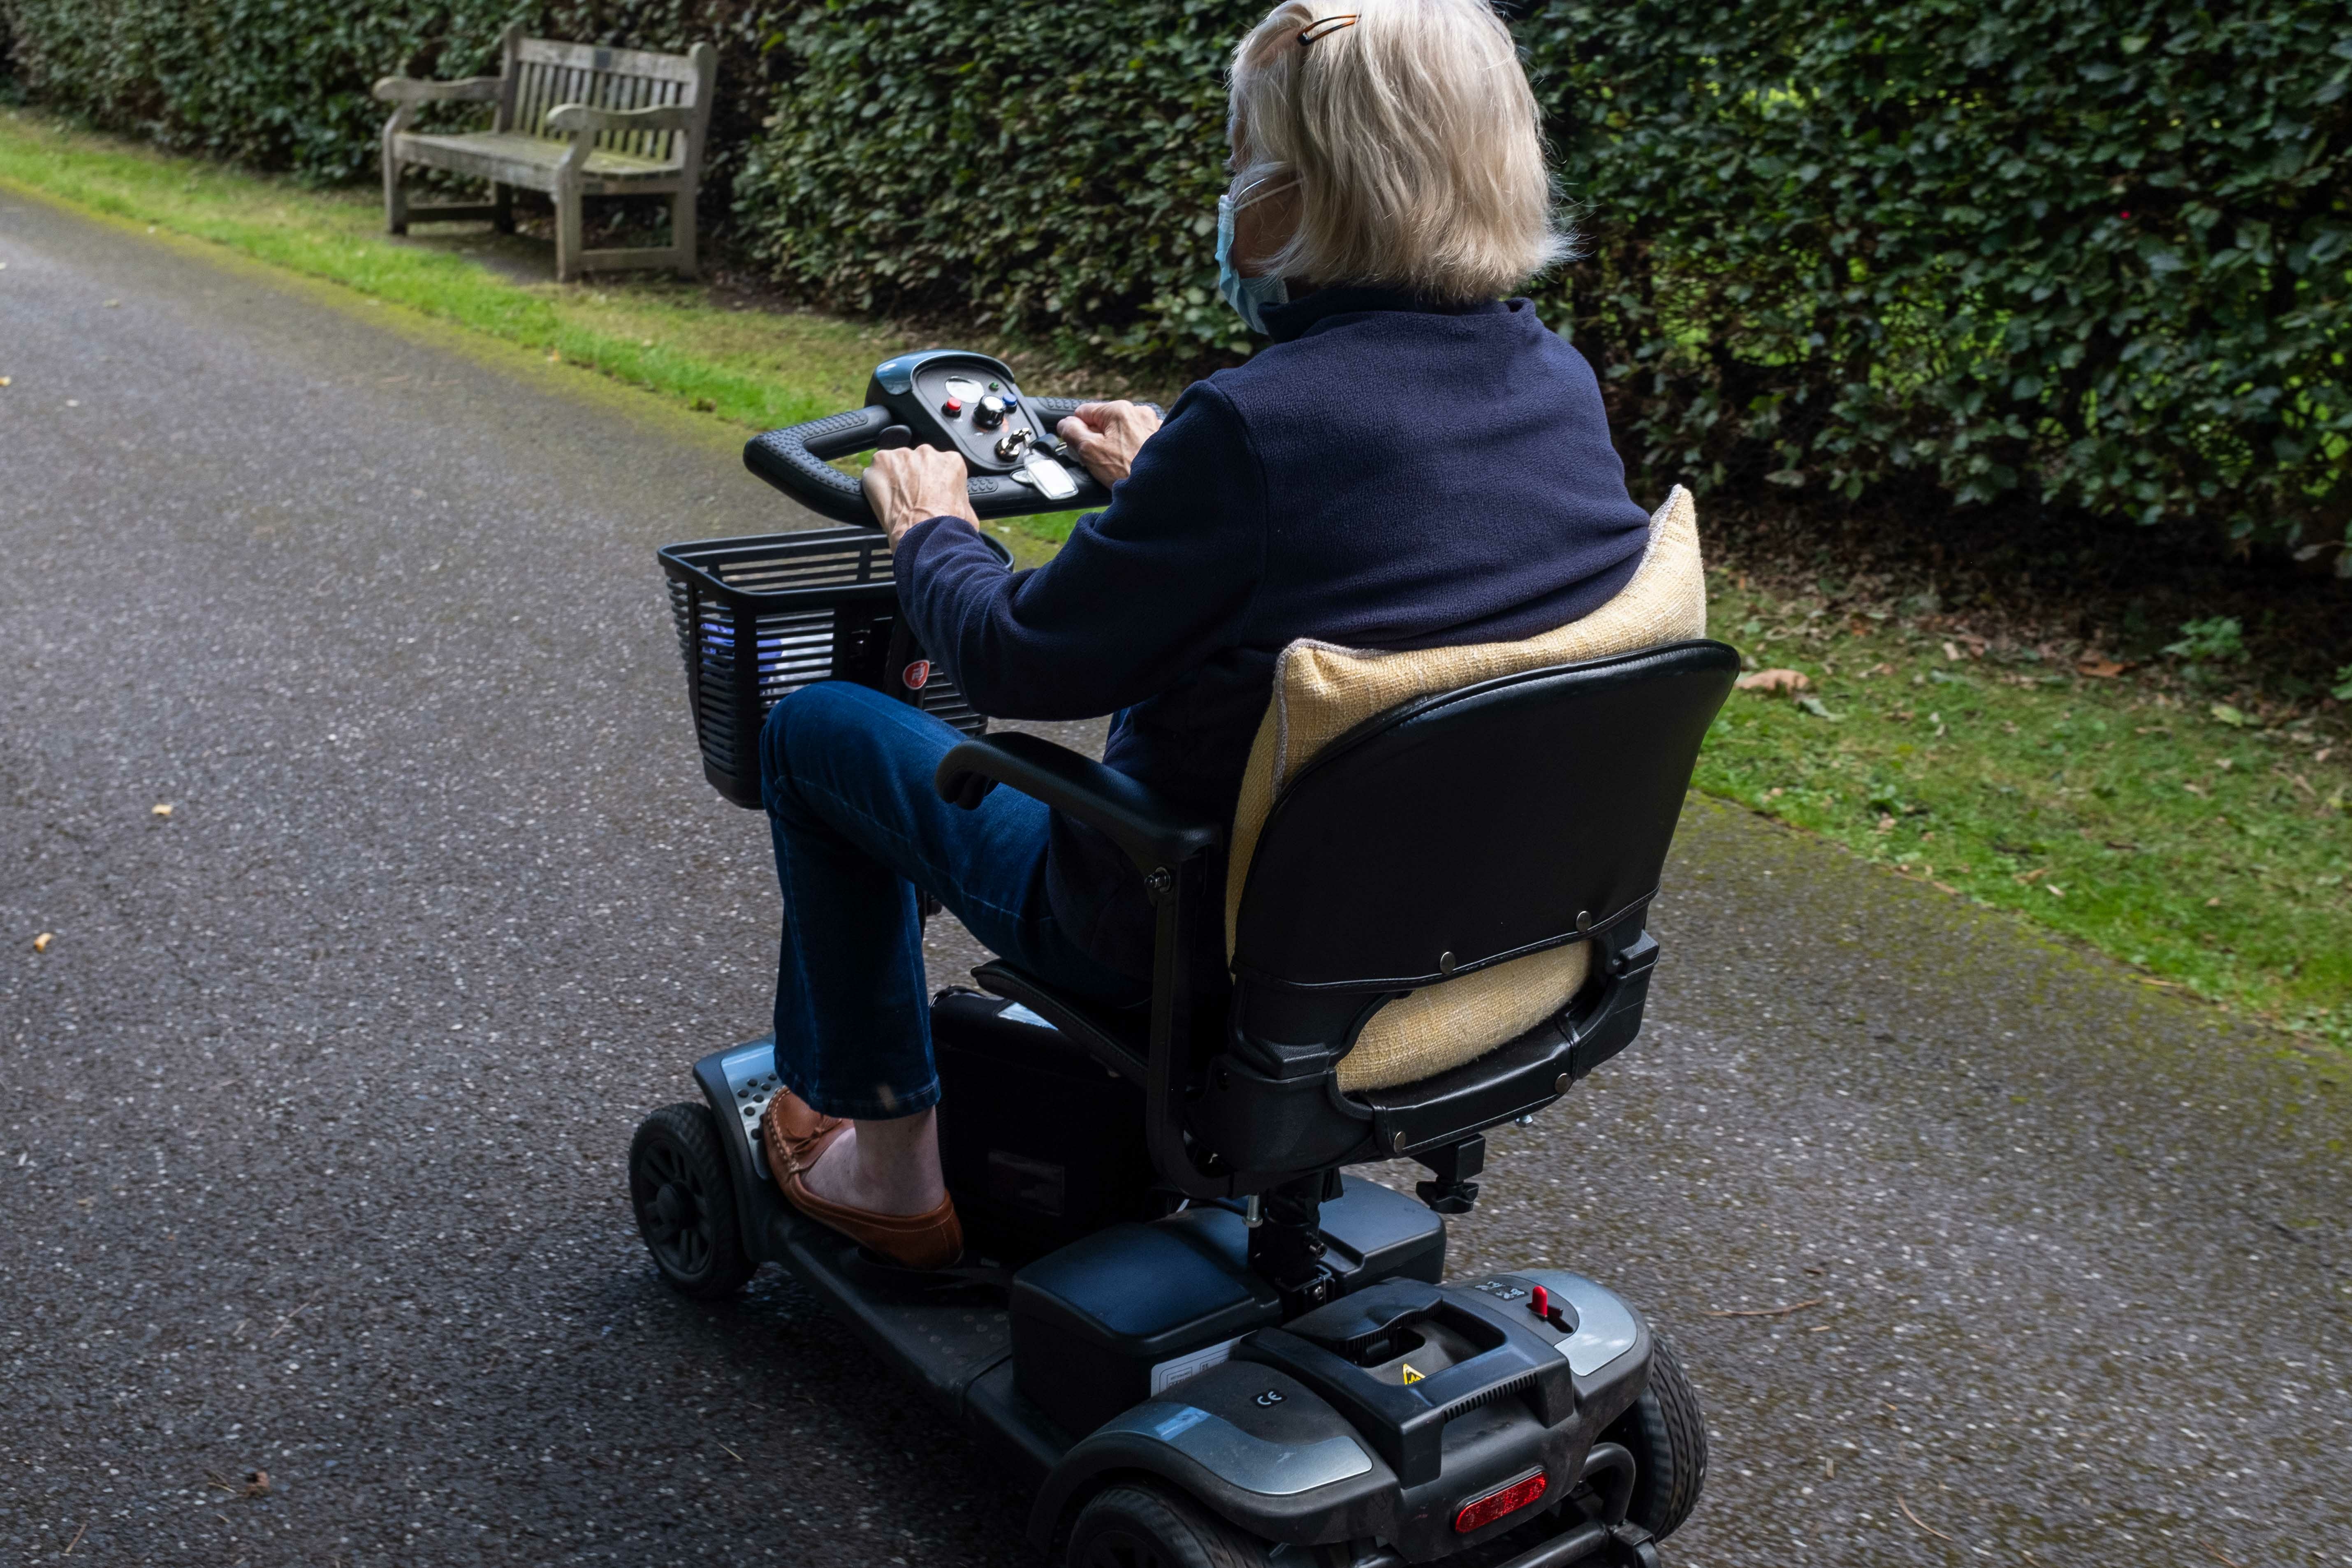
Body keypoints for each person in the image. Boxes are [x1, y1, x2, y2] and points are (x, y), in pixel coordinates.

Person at [757, 0, 1655, 1269]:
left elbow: (1019, 656)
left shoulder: (1252, 429)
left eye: (1247, 157)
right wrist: (1167, 476)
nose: (1234, 191)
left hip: (1182, 933)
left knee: (820, 733)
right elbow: (1376, 545)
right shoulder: (1554, 380)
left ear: (1302, 193)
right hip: (1469, 933)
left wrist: (929, 529)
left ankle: (891, 1166)